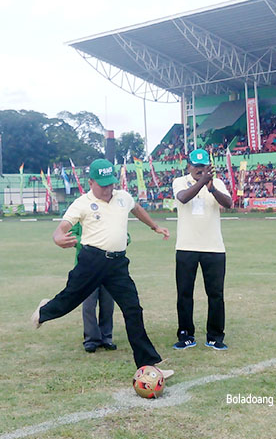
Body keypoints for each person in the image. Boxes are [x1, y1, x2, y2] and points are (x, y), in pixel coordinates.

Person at [31, 159, 173, 377]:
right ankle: (44, 311)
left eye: (110, 184)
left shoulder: (122, 197)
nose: (108, 189)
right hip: (91, 261)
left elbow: (136, 208)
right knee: (70, 299)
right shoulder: (81, 203)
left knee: (133, 309)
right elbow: (62, 228)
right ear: (91, 182)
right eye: (103, 184)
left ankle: (148, 366)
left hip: (117, 264)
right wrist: (58, 237)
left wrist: (155, 226)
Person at [172, 149, 232, 351]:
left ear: (209, 166)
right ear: (188, 165)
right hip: (186, 246)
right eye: (196, 166)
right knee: (184, 293)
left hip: (213, 247)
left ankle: (215, 336)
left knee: (216, 294)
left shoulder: (217, 183)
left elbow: (229, 204)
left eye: (203, 166)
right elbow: (183, 198)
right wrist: (201, 183)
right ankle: (185, 334)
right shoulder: (179, 181)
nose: (199, 169)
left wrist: (212, 187)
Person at [70, 221, 117, 353]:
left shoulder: (112, 213)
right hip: (87, 267)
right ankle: (91, 339)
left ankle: (106, 337)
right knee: (89, 305)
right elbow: (72, 235)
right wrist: (91, 243)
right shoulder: (81, 212)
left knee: (107, 304)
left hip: (109, 266)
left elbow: (124, 235)